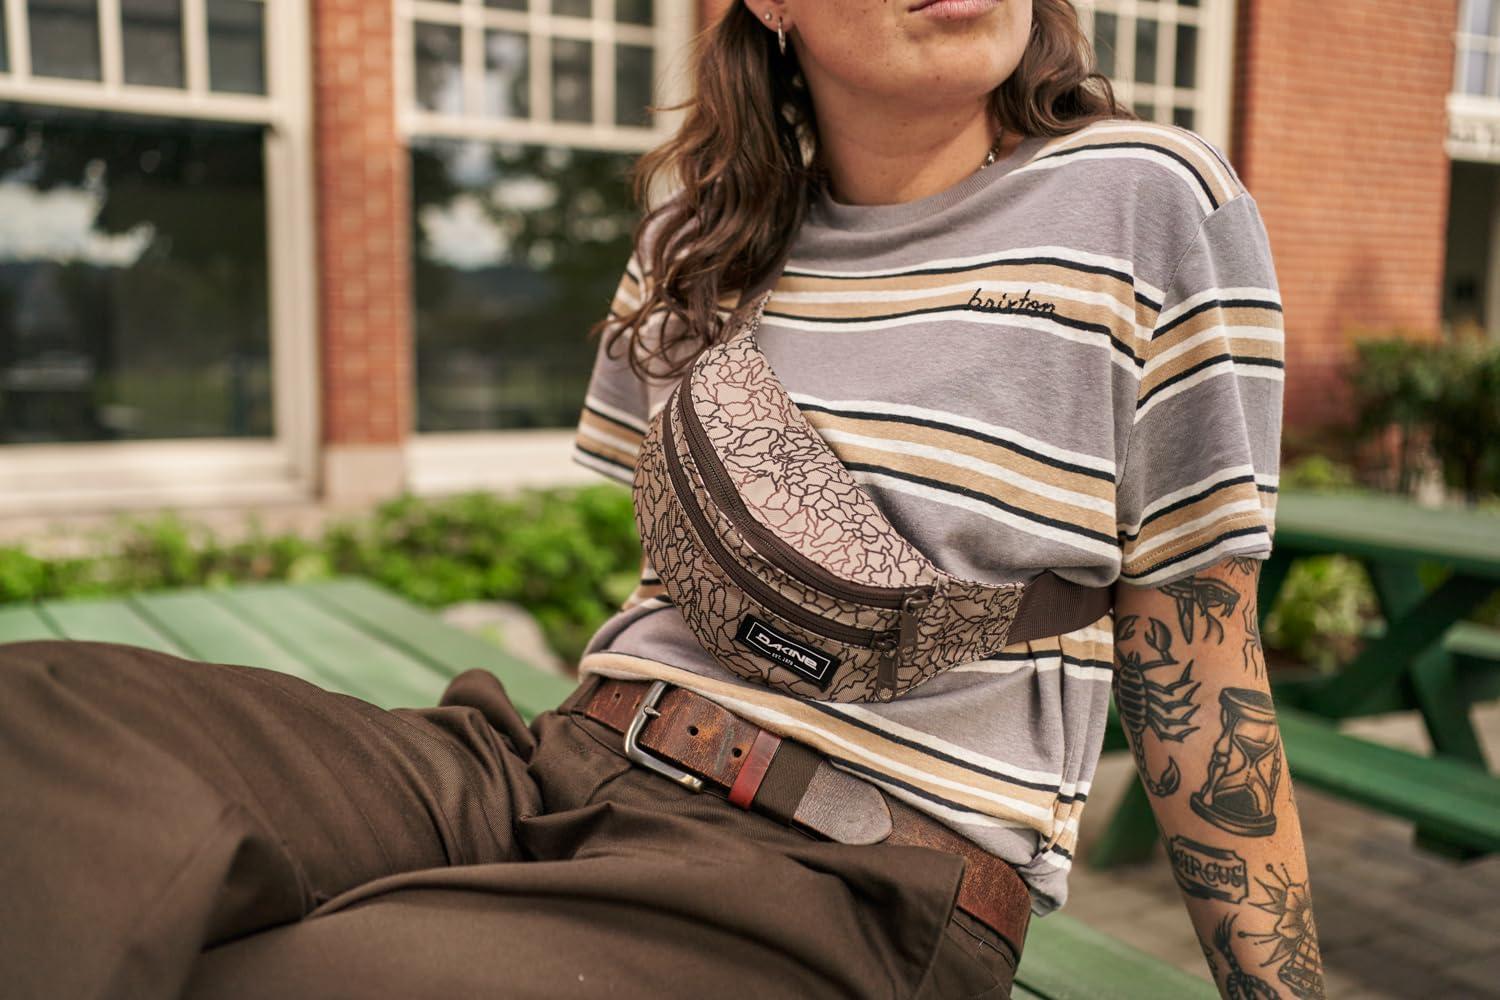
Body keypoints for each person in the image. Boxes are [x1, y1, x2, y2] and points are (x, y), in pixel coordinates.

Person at [0, 2, 1323, 999]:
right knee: (37, 724)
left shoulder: (1147, 202)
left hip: (835, 876)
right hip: (561, 766)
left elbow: (1199, 666)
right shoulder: (700, 233)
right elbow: (677, 593)